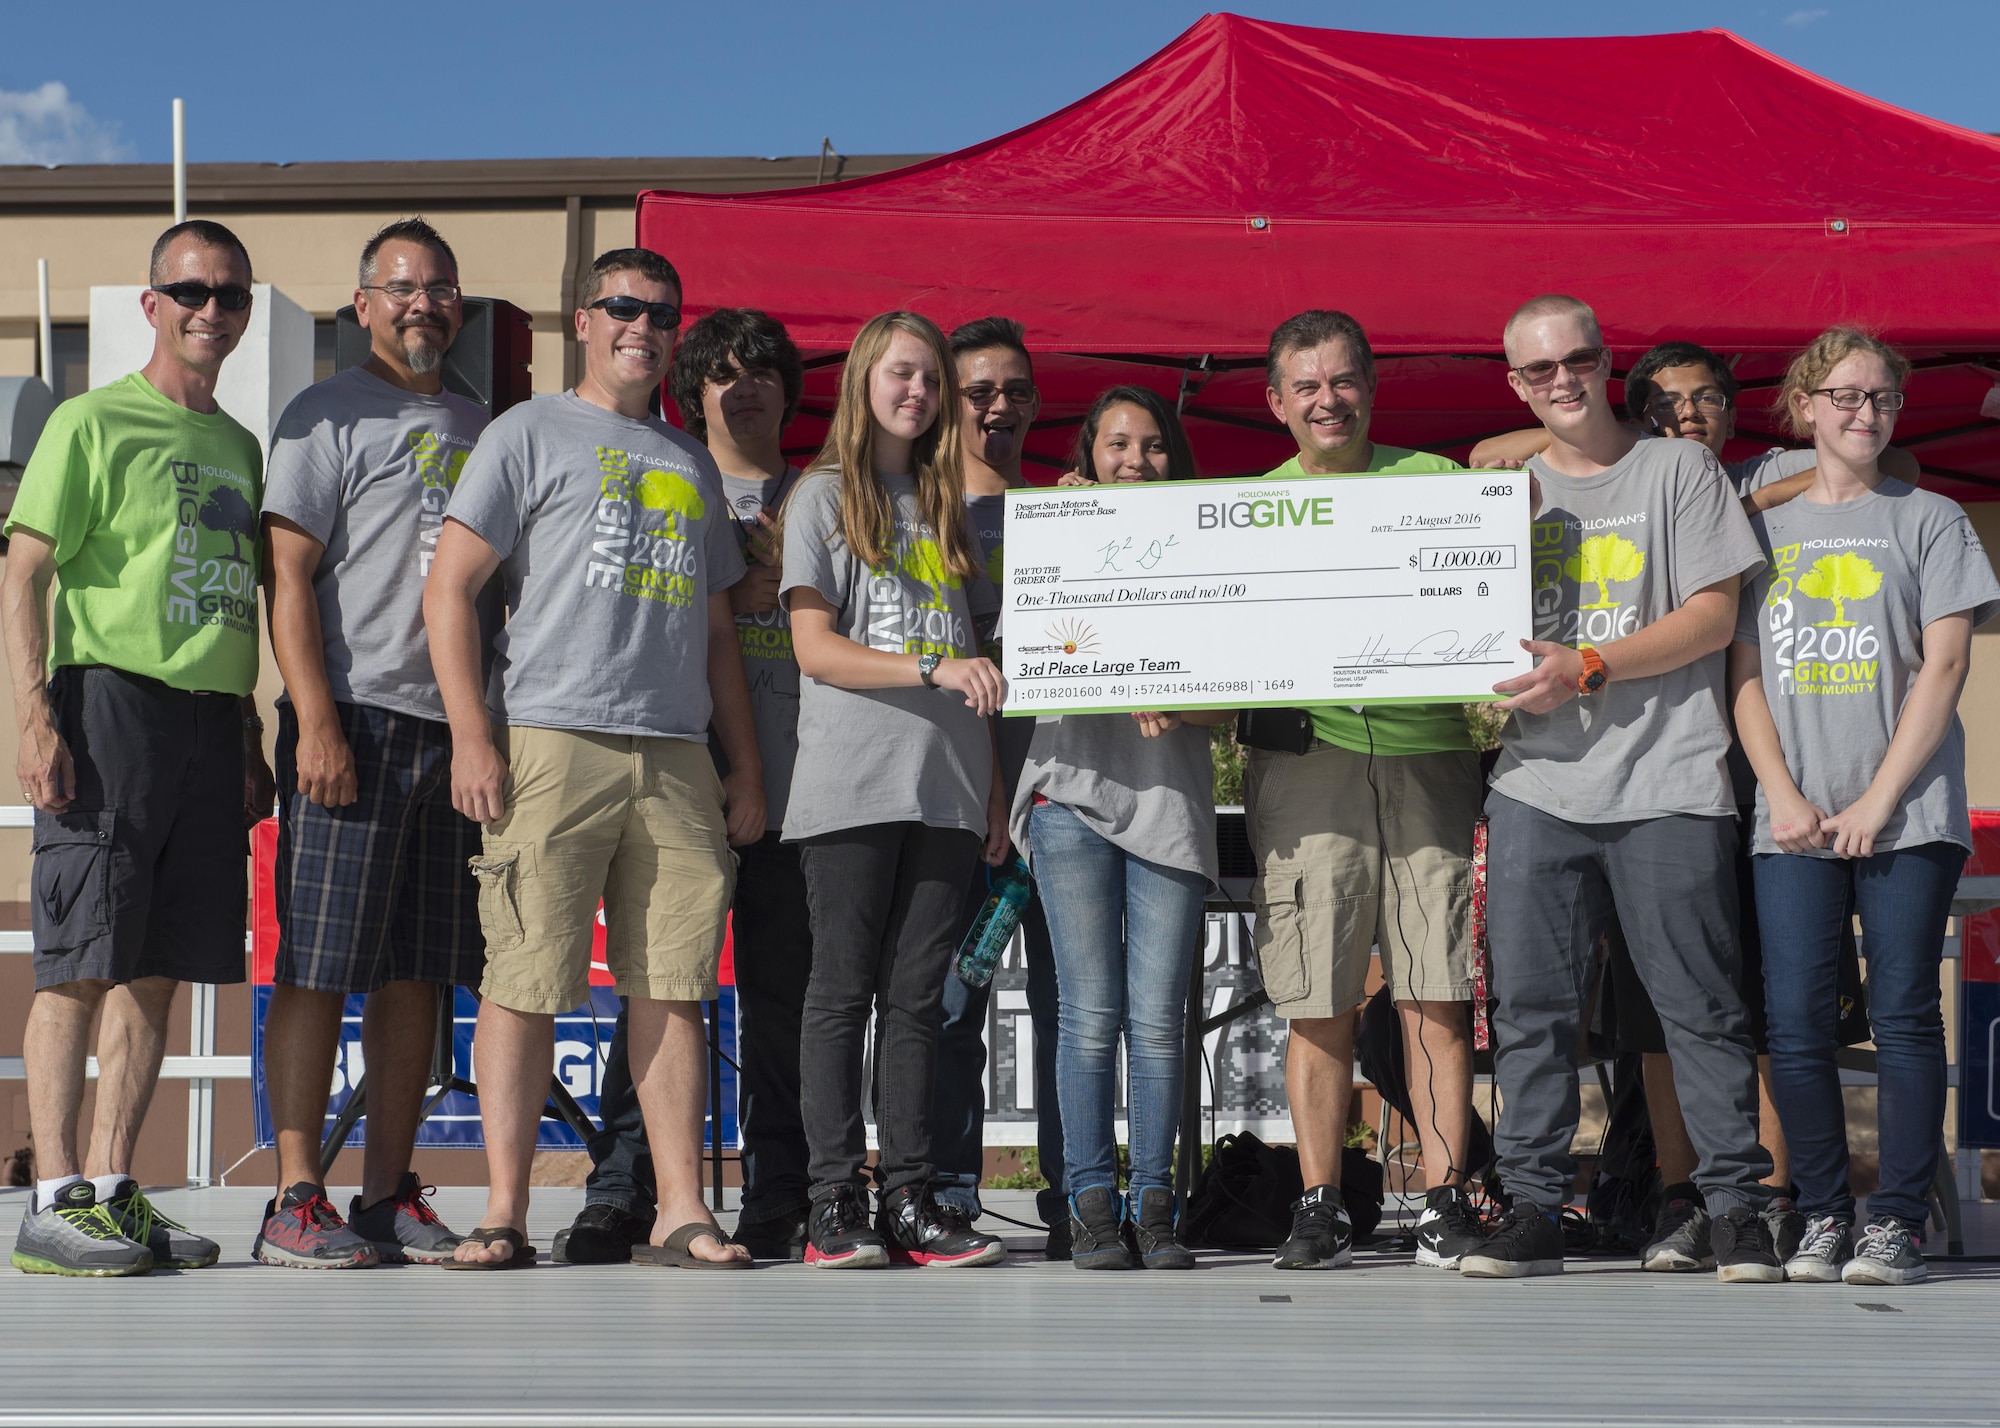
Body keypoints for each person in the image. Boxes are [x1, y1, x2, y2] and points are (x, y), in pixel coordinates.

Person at [424, 248, 761, 1269]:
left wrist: (741, 766)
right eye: (621, 308)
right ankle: (505, 1211)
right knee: (524, 981)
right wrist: (473, 735)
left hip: (672, 754)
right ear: (582, 320)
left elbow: (715, 635)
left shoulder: (687, 459)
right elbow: (449, 590)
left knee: (671, 986)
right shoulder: (524, 432)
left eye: (659, 314)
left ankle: (678, 1210)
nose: (640, 328)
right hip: (551, 738)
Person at [1463, 294, 1779, 1282]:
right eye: (1536, 369)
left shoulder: (1677, 468)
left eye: (1576, 360)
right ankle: (1528, 1210)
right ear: (1513, 383)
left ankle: (1733, 1208)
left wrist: (1586, 666)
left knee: (1700, 1008)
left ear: (1605, 363)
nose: (1560, 379)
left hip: (1670, 783)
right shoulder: (1499, 490)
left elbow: (1710, 617)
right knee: (1529, 1009)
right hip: (1534, 786)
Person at [5, 220, 274, 1276]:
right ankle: (54, 1195)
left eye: (232, 295)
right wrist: (33, 717)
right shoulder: (90, 421)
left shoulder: (239, 448)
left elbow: (236, 604)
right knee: (80, 962)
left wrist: (248, 730)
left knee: (157, 969)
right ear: (152, 304)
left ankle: (115, 1194)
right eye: (193, 291)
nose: (213, 311)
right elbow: (21, 575)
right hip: (108, 703)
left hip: (210, 720)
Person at [1731, 328, 1999, 1286]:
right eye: (1844, 396)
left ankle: (1896, 1222)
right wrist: (1785, 795)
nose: (1864, 413)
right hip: (1792, 818)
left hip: (1910, 814)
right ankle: (1819, 1213)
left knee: (1903, 1017)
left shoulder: (1931, 519)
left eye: (1881, 398)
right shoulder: (1759, 532)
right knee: (1795, 1023)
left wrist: (1879, 799)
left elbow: (1949, 665)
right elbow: (1744, 676)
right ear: (1804, 406)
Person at [553, 308, 815, 1264]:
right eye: (721, 374)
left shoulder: (828, 495)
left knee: (789, 1009)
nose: (742, 388)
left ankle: (783, 1192)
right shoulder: (664, 477)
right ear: (692, 390)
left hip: (798, 794)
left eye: (762, 372)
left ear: (789, 391)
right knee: (654, 994)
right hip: (667, 774)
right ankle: (626, 1191)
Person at [251, 218, 487, 1269]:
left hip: (455, 731)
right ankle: (296, 1197)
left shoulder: (491, 429)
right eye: (399, 288)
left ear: (459, 305)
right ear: (364, 306)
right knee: (318, 965)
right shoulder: (324, 416)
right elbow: (286, 577)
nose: (420, 304)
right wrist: (314, 720)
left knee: (419, 973)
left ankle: (387, 1194)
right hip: (350, 718)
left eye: (437, 288)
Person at [1241, 311, 1485, 1272]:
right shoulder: (1248, 508)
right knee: (1318, 993)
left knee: (1436, 989)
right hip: (1307, 771)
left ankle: (1441, 1197)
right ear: (1276, 404)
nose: (1325, 400)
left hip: (1429, 758)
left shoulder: (1438, 484)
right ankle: (1320, 1199)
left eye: (1341, 381)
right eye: (1304, 387)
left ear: (1371, 387)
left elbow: (1528, 461)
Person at [779, 310, 1008, 1268]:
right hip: (850, 783)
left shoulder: (946, 501)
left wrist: (993, 796)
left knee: (918, 999)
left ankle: (911, 1197)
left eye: (930, 381)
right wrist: (929, 667)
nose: (915, 392)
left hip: (948, 788)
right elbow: (813, 646)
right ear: (864, 381)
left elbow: (983, 666)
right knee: (840, 992)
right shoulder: (823, 496)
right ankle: (836, 1199)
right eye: (900, 374)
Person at [1013, 385, 1229, 1270]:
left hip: (1170, 806)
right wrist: (1057, 535)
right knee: (1089, 1019)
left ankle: (1158, 1207)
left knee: (1159, 1024)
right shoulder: (1045, 531)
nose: (1135, 461)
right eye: (1117, 446)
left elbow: (1243, 693)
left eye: (1153, 447)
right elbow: (1013, 650)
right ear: (1087, 455)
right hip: (1070, 795)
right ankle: (1090, 1205)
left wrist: (1186, 705)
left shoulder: (1216, 551)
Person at [929, 316, 1067, 1255]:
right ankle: (944, 1195)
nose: (1001, 408)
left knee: (1074, 1018)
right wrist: (985, 788)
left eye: (1016, 391)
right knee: (948, 1011)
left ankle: (1075, 1197)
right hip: (962, 808)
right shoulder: (922, 514)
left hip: (1067, 806)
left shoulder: (1070, 508)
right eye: (980, 392)